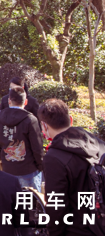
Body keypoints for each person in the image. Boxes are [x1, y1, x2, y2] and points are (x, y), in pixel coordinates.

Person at [41, 98, 105, 235]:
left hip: (76, 229)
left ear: (44, 126)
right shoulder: (98, 144)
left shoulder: (54, 158)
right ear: (70, 119)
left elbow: (56, 206)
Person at [0, 87, 44, 191]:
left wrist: (4, 159)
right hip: (29, 170)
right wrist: (40, 166)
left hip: (8, 169)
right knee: (31, 204)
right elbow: (37, 147)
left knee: (11, 203)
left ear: (9, 101)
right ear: (25, 102)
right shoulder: (30, 120)